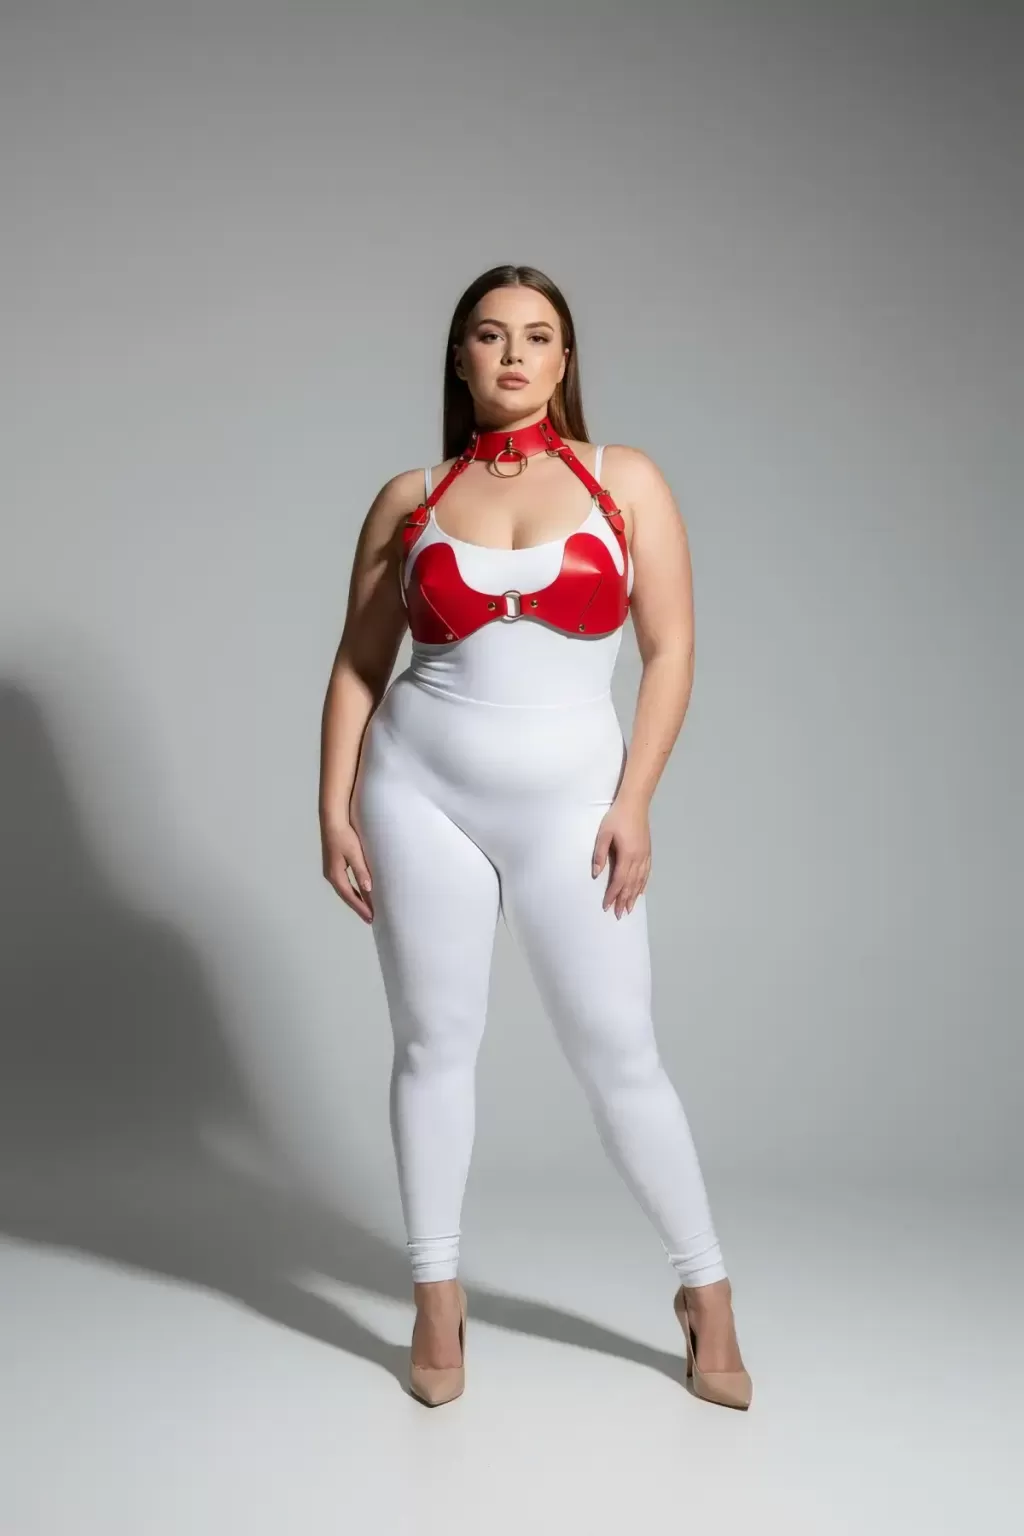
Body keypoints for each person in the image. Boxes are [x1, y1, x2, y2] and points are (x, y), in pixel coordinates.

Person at [318, 264, 752, 1412]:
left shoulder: (624, 481)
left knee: (618, 1052)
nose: (513, 354)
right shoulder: (410, 496)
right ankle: (435, 1293)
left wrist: (635, 799)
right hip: (416, 791)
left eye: (537, 336)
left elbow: (670, 650)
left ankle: (704, 1291)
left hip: (574, 804)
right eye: (489, 335)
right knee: (432, 1042)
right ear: (459, 358)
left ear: (565, 361)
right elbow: (361, 662)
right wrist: (333, 805)